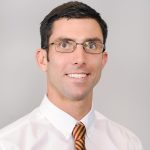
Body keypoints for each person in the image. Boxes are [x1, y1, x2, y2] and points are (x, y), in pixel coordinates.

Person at [0, 1, 143, 150]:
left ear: (103, 60)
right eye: (64, 45)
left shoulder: (127, 144)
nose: (80, 59)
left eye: (91, 45)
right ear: (42, 59)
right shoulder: (9, 144)